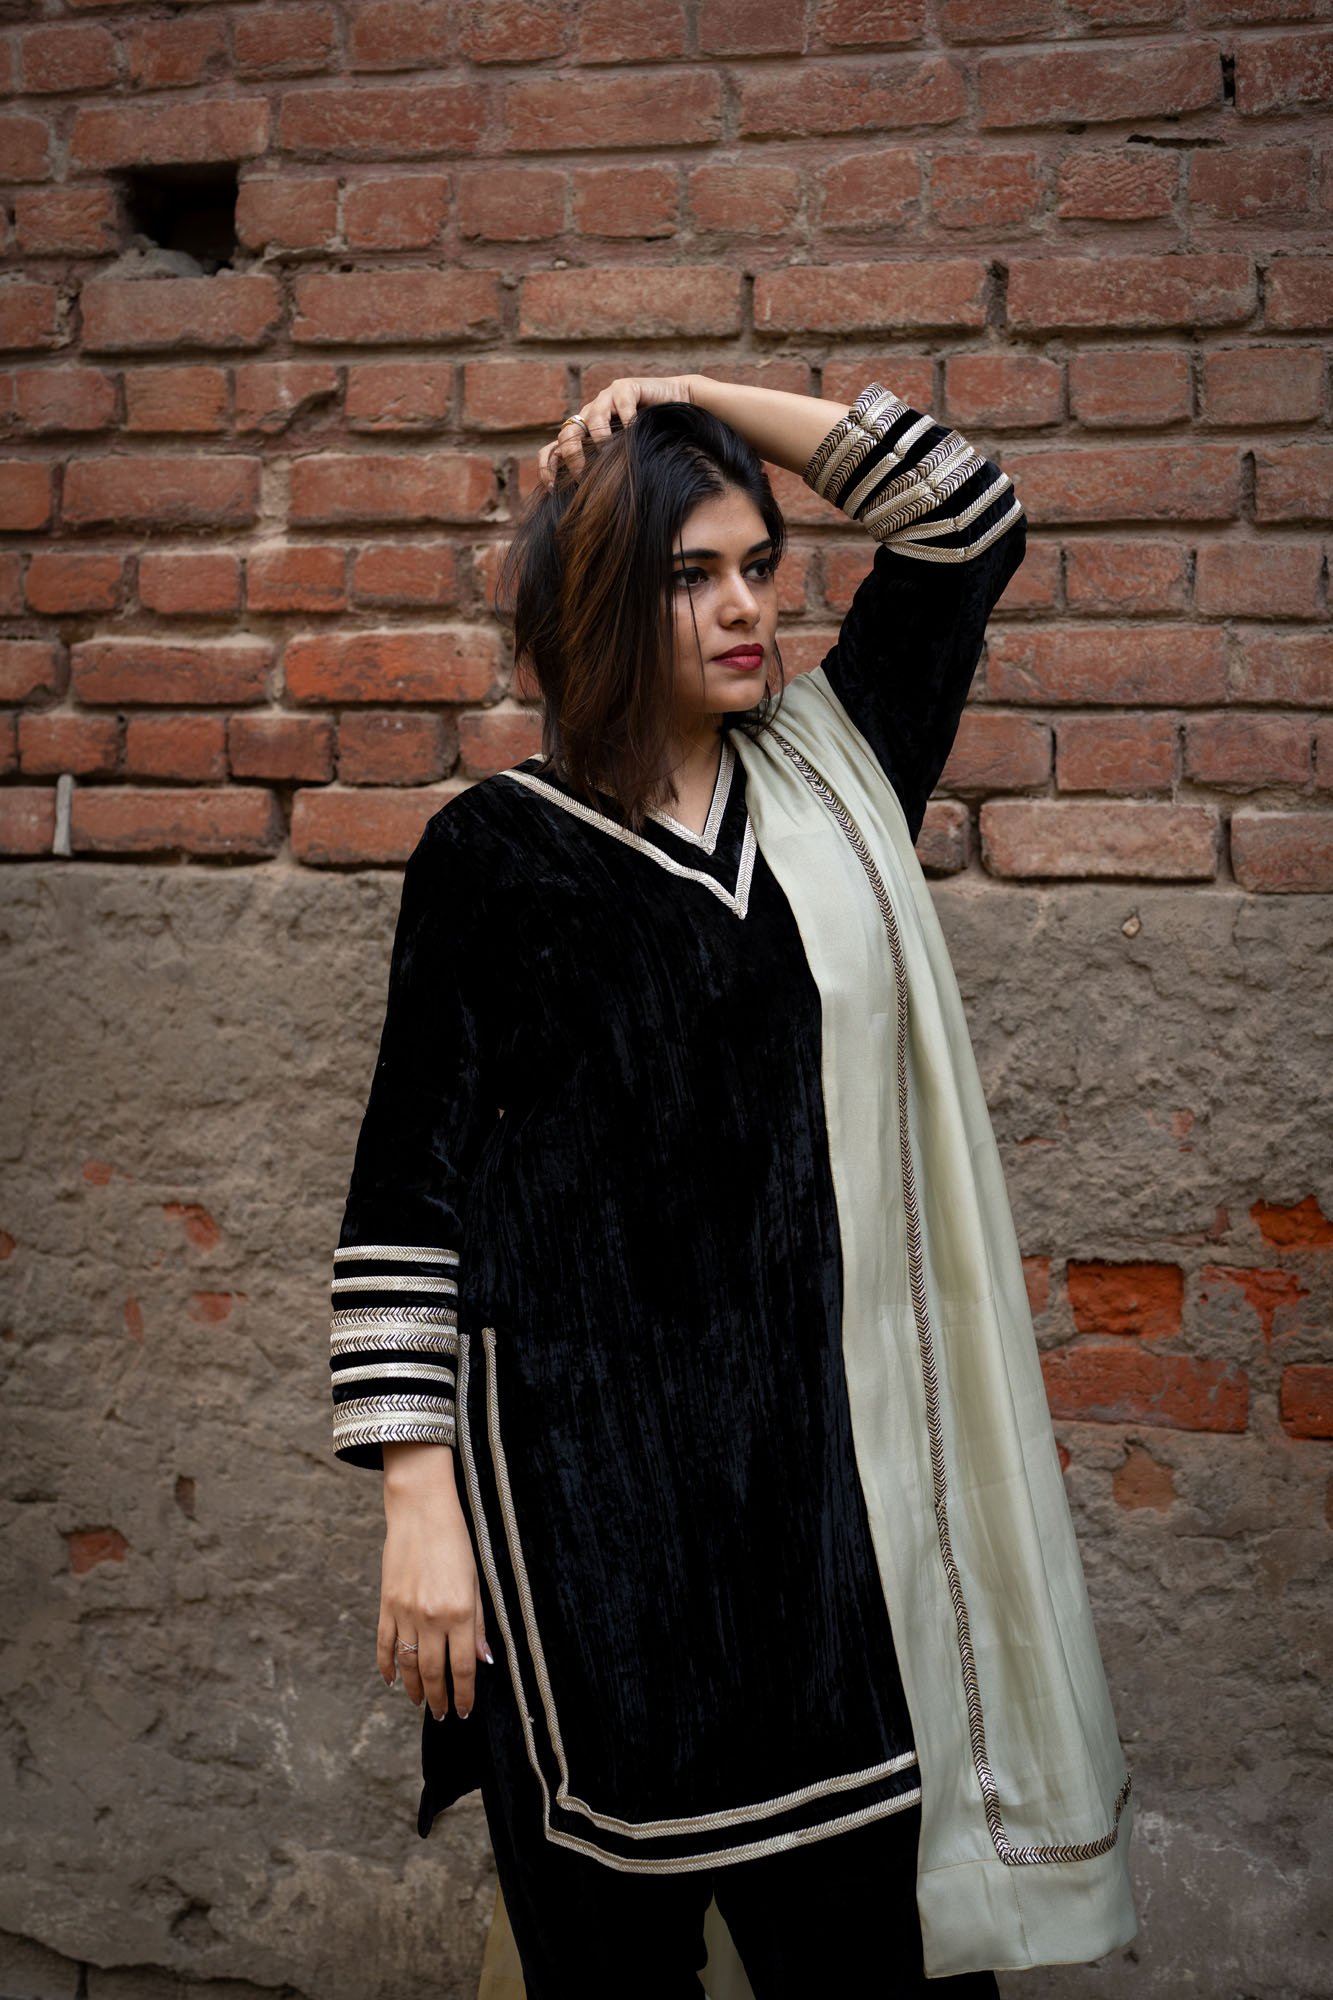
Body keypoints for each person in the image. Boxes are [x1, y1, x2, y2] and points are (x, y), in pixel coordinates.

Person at [327, 374, 1138, 1998]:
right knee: (610, 1959)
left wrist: (693, 398)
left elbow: (964, 515)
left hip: (832, 1513)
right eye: (690, 576)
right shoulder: (495, 854)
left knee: (876, 1954)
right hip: (583, 1518)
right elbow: (407, 1202)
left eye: (760, 566)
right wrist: (421, 1507)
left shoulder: (838, 774)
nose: (748, 607)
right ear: (601, 602)